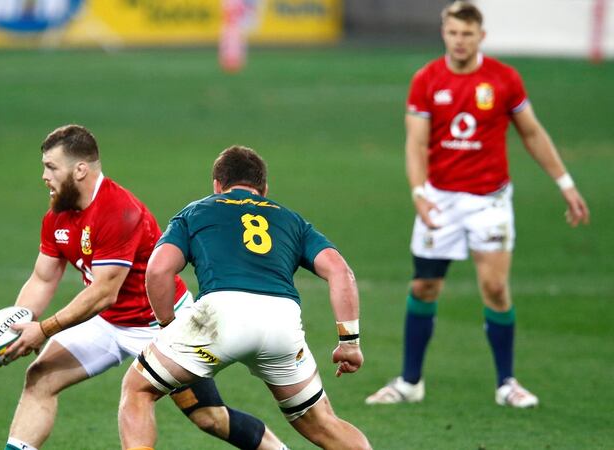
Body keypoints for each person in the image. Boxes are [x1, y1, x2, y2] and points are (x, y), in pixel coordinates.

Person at [0, 125, 288, 450]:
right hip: (108, 321)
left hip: (162, 324)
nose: (44, 176)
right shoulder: (58, 216)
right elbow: (44, 278)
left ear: (79, 170)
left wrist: (45, 328)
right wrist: (14, 325)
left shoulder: (118, 211)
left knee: (208, 417)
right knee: (41, 377)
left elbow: (103, 291)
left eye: (51, 167)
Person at [365, 1, 590, 408]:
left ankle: (507, 383)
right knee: (425, 285)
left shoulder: (504, 80)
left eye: (467, 34)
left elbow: (533, 133)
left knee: (495, 287)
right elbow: (416, 143)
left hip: (489, 201)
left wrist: (565, 183)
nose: (460, 40)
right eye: (453, 32)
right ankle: (410, 381)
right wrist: (418, 193)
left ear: (481, 36)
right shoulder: (427, 80)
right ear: (443, 33)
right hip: (440, 198)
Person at [118, 145, 372, 450]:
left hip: (220, 316)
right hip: (282, 323)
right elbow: (341, 272)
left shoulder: (197, 211)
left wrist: (168, 325)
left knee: (138, 389)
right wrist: (350, 343)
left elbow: (158, 270)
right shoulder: (292, 220)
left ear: (216, 185)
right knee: (322, 423)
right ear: (264, 189)